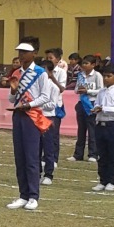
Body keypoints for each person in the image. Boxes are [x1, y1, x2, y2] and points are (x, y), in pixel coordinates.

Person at [7, 39, 54, 210]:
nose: (21, 55)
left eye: (25, 52)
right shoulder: (16, 72)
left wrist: (29, 105)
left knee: (31, 157)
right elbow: (11, 99)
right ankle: (23, 195)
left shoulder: (40, 73)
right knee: (19, 157)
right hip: (18, 115)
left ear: (34, 54)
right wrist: (13, 90)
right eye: (19, 52)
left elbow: (45, 97)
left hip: (32, 116)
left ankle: (33, 196)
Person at [90, 64, 114, 192]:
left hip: (112, 125)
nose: (106, 78)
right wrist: (96, 108)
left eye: (109, 76)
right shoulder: (101, 91)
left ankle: (111, 180)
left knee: (112, 154)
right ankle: (102, 180)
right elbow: (97, 104)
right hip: (100, 125)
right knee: (102, 155)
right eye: (104, 76)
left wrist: (103, 109)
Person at [40, 48, 67, 185]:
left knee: (49, 144)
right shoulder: (38, 84)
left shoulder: (54, 84)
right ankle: (37, 172)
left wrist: (37, 105)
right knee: (37, 146)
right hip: (37, 117)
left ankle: (49, 173)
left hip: (48, 116)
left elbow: (52, 104)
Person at [70, 54, 102, 163]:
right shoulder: (80, 75)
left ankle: (93, 154)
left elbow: (101, 90)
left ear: (93, 65)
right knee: (81, 130)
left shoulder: (97, 75)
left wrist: (88, 91)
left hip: (91, 103)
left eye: (86, 63)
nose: (84, 65)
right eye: (83, 63)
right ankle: (78, 154)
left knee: (92, 131)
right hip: (81, 103)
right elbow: (75, 89)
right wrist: (78, 90)